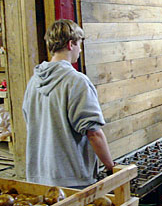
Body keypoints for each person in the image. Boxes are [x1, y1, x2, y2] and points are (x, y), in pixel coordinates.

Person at [22, 19, 115, 188]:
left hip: (38, 178)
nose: (80, 49)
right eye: (79, 44)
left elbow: (30, 122)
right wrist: (111, 167)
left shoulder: (33, 82)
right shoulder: (76, 81)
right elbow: (93, 133)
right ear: (70, 44)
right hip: (71, 180)